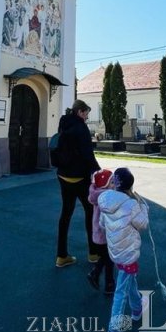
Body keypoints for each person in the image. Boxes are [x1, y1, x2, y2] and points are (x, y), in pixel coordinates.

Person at [99, 167, 149, 332]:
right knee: (121, 293)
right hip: (128, 253)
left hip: (116, 251)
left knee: (128, 281)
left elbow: (102, 224)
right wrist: (143, 206)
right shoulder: (131, 205)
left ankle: (136, 308)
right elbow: (143, 224)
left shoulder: (105, 201)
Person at [55, 99, 101, 268]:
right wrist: (98, 171)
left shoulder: (63, 124)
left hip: (63, 175)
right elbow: (88, 154)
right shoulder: (81, 128)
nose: (87, 116)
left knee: (65, 214)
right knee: (90, 212)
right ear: (80, 112)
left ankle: (61, 256)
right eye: (86, 112)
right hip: (80, 177)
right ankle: (94, 253)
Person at [87, 169, 115, 294]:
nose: (115, 184)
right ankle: (106, 282)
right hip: (105, 233)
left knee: (106, 258)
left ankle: (102, 279)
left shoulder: (97, 193)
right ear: (105, 185)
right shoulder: (106, 197)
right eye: (112, 182)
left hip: (99, 234)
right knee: (109, 259)